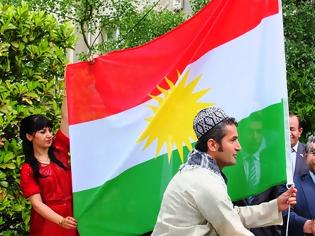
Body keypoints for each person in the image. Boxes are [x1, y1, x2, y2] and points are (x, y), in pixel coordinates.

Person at [152, 106, 297, 236]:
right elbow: (233, 230)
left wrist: (275, 206)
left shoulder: (198, 172)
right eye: (232, 140)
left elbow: (231, 215)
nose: (239, 147)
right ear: (213, 145)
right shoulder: (203, 181)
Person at [19, 97, 79, 236]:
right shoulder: (28, 169)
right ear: (29, 136)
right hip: (48, 223)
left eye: (50, 130)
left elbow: (66, 118)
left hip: (74, 215)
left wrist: (67, 89)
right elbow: (37, 204)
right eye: (42, 132)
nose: (49, 135)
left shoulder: (60, 150)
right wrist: (61, 221)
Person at [280, 135, 315, 236]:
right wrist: (306, 225)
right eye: (314, 152)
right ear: (305, 156)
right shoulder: (291, 184)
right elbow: (285, 215)